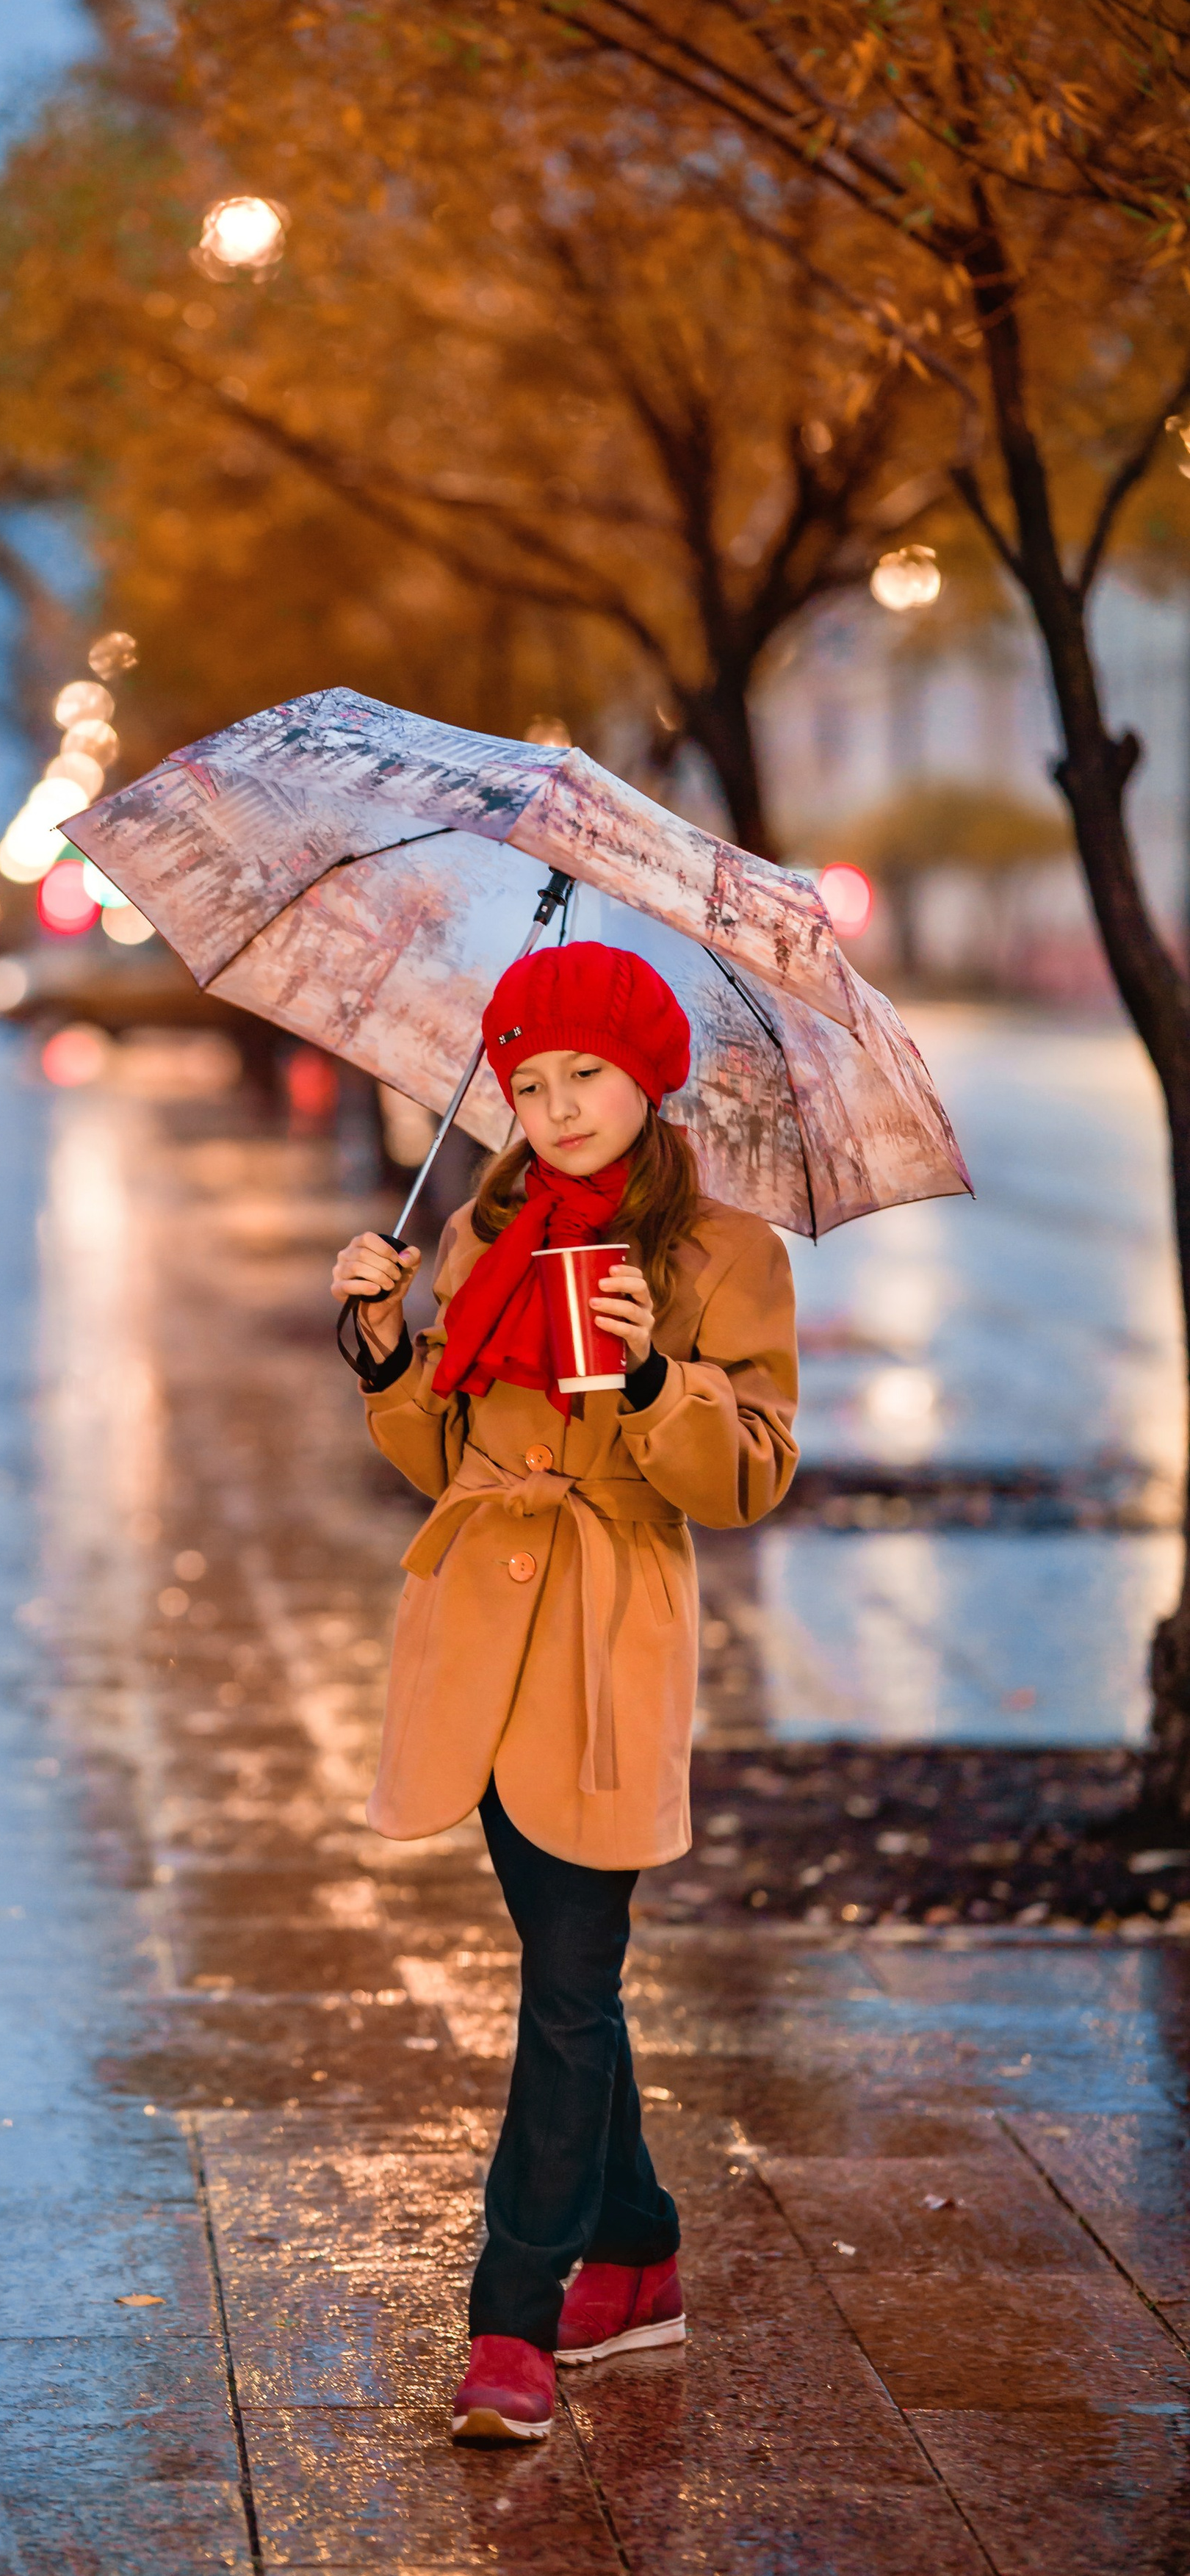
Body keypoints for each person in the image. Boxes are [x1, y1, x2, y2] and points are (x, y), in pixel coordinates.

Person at [330, 941, 798, 2446]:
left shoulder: (725, 1255)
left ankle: (510, 2320)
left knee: (568, 1985)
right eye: (526, 1083)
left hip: (605, 1643)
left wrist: (656, 1382)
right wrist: (381, 1345)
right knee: (565, 1971)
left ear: (645, 1078)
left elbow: (746, 1480)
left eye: (582, 1075)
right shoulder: (480, 1229)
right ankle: (640, 2249)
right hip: (478, 1633)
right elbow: (434, 1456)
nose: (553, 1105)